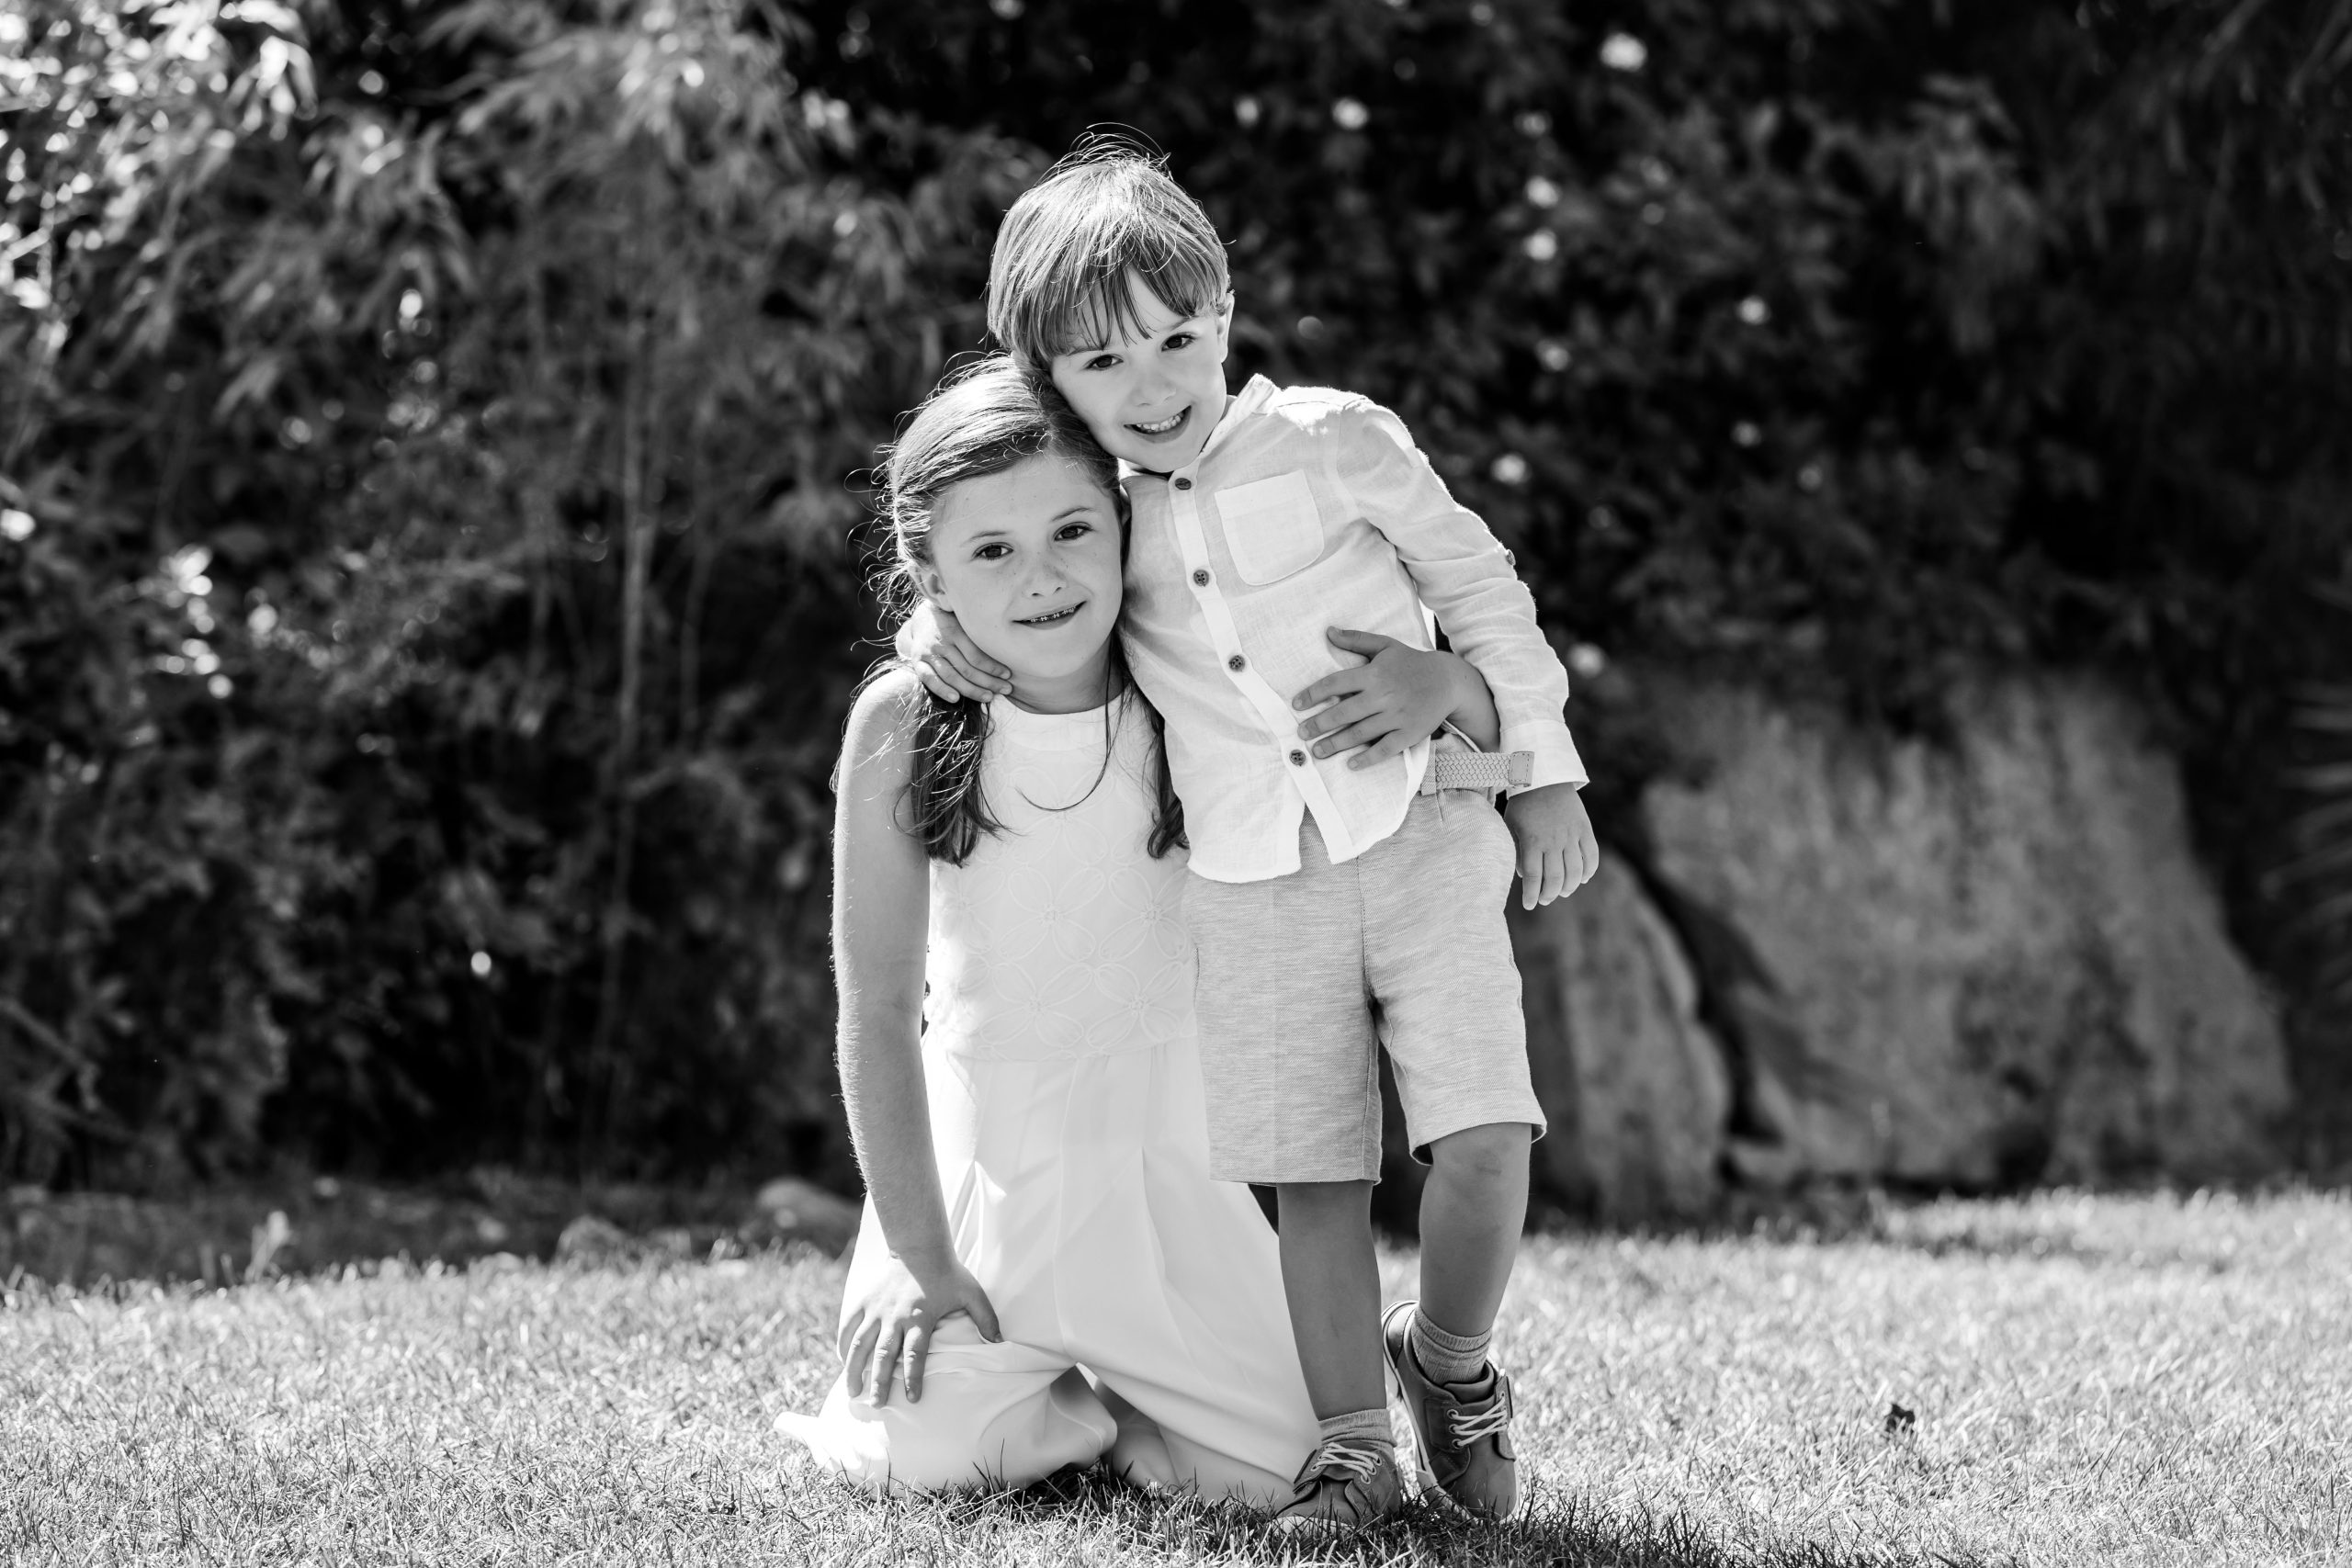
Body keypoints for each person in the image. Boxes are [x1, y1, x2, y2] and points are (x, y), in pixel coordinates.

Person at [899, 146, 1600, 1529]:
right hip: (1251, 880)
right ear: (1050, 376)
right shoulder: (1097, 510)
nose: (1153, 382)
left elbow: (1479, 583)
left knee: (1485, 1136)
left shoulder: (1338, 438)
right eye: (1104, 361)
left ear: (1224, 313)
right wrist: (938, 634)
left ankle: (1448, 1362)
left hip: (1421, 831)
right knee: (1314, 1174)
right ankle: (1352, 1449)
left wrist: (1534, 765)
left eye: (1178, 337)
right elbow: (1016, 579)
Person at [778, 357, 1509, 1506]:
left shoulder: (1194, 689)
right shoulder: (904, 722)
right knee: (926, 1460)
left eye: (1073, 530)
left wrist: (1452, 687)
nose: (1043, 578)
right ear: (929, 575)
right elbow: (872, 1011)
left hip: (1174, 1183)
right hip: (989, 1187)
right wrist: (919, 1260)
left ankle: (1134, 1396)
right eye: (990, 552)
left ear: (1126, 524)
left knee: (1277, 1471)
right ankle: (1061, 1390)